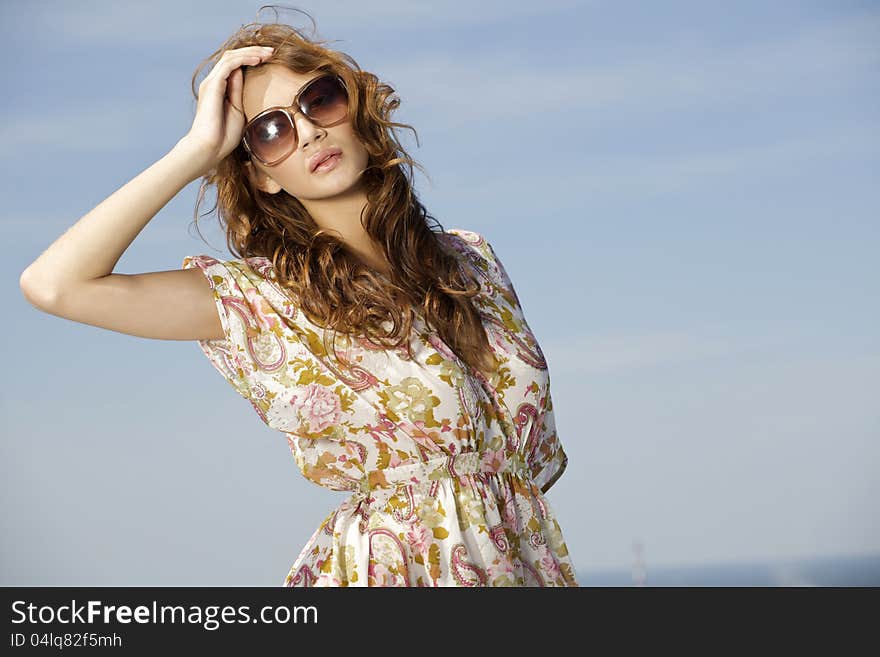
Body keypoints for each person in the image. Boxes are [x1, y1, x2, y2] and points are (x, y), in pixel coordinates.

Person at [19, 14, 579, 587]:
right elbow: (56, 285)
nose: (307, 132)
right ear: (262, 175)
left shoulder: (472, 261)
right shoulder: (264, 302)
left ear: (356, 112)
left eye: (319, 101)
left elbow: (521, 465)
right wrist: (197, 149)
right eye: (270, 131)